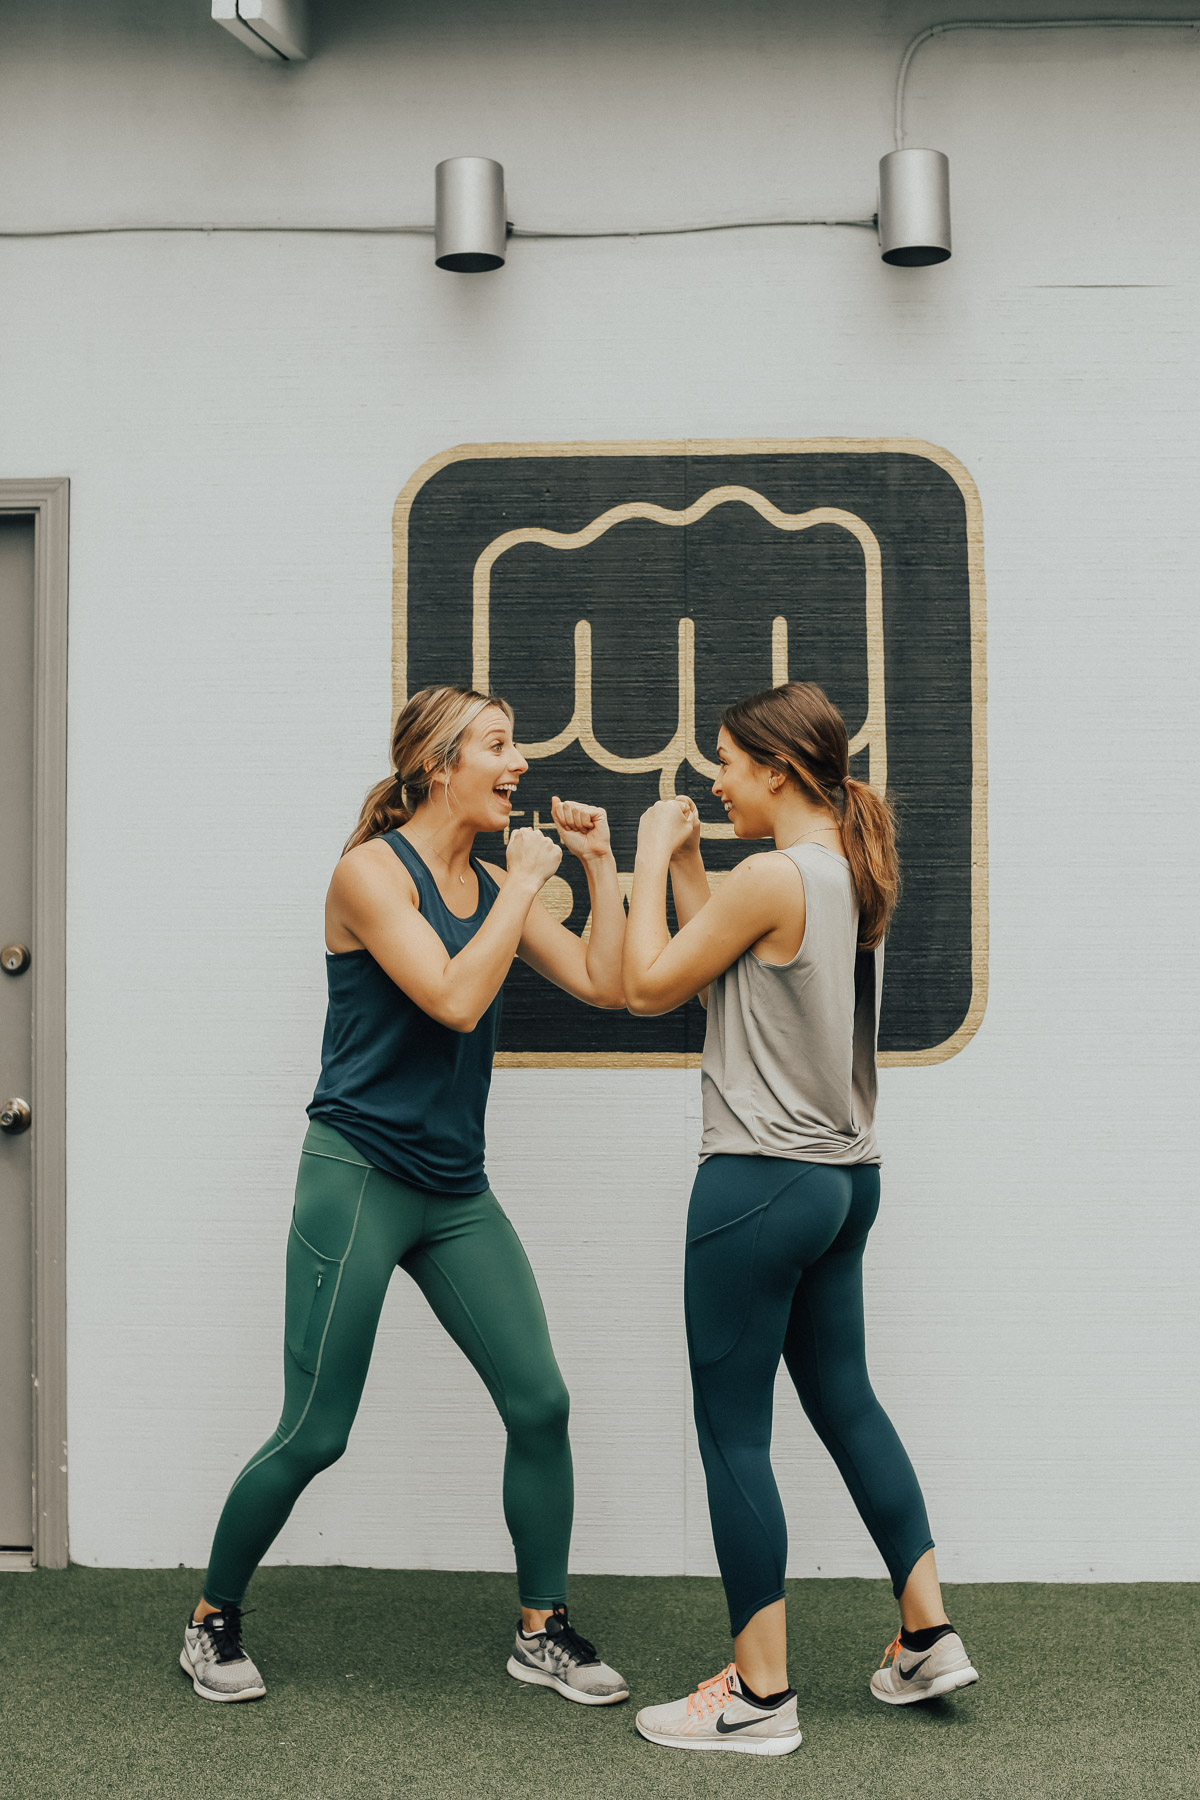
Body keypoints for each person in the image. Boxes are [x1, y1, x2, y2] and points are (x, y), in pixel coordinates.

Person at [181, 685, 630, 1708]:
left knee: (541, 1402)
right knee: (315, 1432)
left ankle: (541, 1628)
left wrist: (598, 867)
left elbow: (606, 985)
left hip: (452, 1189)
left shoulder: (490, 877)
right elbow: (455, 997)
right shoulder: (367, 875)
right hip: (359, 1177)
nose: (519, 764)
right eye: (500, 746)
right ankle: (212, 1620)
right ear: (438, 766)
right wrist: (523, 886)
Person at [622, 680, 978, 1757]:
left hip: (758, 1186)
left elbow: (646, 986)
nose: (714, 779)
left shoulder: (773, 876)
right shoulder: (846, 870)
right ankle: (927, 1635)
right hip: (842, 1184)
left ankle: (760, 1698)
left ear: (776, 770)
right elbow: (732, 967)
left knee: (735, 1432)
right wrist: (692, 874)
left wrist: (647, 853)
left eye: (726, 761)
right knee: (848, 1403)